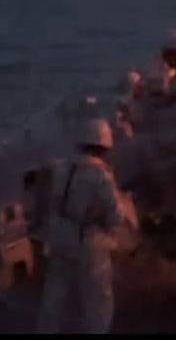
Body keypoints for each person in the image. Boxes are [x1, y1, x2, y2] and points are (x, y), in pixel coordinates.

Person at [37, 118, 138, 334]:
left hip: (59, 236)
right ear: (103, 146)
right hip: (88, 242)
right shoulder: (101, 176)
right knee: (98, 300)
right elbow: (115, 216)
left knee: (54, 294)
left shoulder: (62, 168)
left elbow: (52, 202)